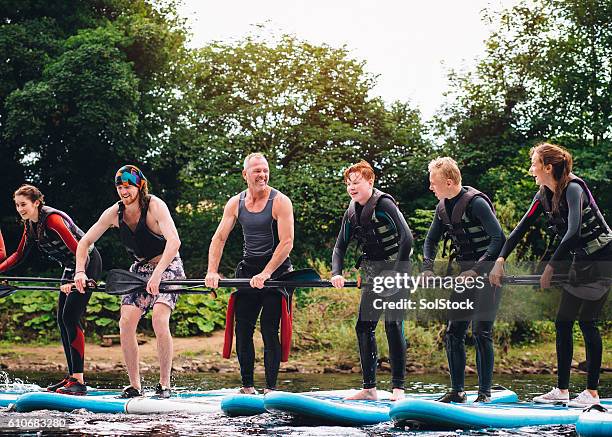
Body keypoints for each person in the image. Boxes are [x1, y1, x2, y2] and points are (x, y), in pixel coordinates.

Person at [490, 143, 611, 407]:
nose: (531, 169)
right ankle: (562, 391)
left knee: (588, 322)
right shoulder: (542, 195)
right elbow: (519, 230)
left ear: (548, 167)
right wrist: (499, 260)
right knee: (563, 322)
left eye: (534, 163)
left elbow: (574, 231)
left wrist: (551, 266)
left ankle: (591, 393)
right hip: (582, 261)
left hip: (603, 259)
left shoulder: (574, 189)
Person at [73, 165, 183, 399]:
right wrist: (80, 272)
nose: (124, 192)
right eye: (120, 187)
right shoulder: (114, 213)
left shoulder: (155, 205)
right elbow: (84, 243)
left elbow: (174, 242)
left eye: (129, 187)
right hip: (139, 269)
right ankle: (135, 386)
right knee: (125, 323)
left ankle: (164, 385)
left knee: (159, 319)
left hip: (168, 264)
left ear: (139, 186)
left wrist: (157, 274)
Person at [0, 184, 102, 395]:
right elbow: (18, 255)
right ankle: (71, 376)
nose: (20, 209)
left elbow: (80, 251)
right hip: (70, 267)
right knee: (61, 320)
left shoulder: (53, 221)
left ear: (36, 202)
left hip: (87, 264)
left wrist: (77, 278)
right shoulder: (30, 225)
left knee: (70, 318)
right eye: (17, 205)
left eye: (24, 204)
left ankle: (79, 382)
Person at [205, 153, 294, 394]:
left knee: (268, 328)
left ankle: (272, 389)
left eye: (265, 170)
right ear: (245, 175)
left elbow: (287, 242)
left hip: (277, 273)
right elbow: (219, 238)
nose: (262, 175)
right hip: (248, 270)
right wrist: (212, 271)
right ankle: (247, 387)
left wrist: (266, 273)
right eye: (256, 171)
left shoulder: (280, 201)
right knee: (242, 327)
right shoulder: (235, 203)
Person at [423, 157, 505, 403]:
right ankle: (457, 391)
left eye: (433, 183)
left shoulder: (476, 203)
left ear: (448, 182)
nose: (430, 187)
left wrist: (475, 271)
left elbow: (498, 239)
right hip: (463, 278)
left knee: (481, 331)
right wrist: (428, 268)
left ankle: (484, 394)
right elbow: (430, 241)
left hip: (488, 275)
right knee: (453, 332)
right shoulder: (442, 207)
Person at [331, 160, 413, 401]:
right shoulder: (351, 211)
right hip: (374, 274)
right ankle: (369, 389)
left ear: (370, 181)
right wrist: (336, 272)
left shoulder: (384, 203)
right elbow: (339, 247)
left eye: (356, 183)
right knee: (364, 326)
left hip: (397, 270)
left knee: (392, 325)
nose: (351, 188)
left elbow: (407, 239)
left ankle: (398, 390)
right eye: (348, 184)